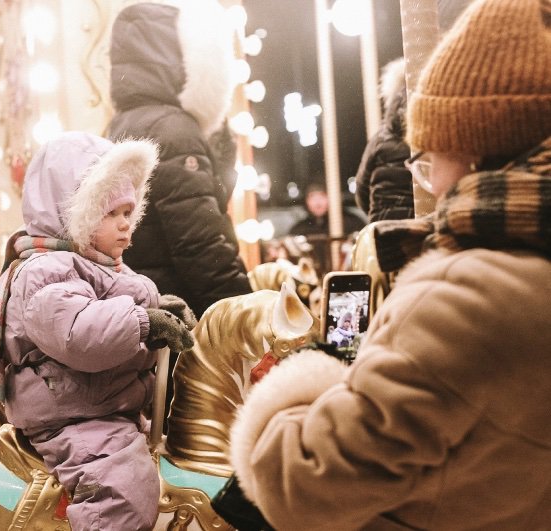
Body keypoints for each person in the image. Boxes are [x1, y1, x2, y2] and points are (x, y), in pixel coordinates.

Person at [229, 1, 551, 529]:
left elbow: (300, 482)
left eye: (431, 157)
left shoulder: (465, 296)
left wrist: (307, 380)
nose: (429, 180)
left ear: (476, 152)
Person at [0, 132, 196, 530]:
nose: (126, 225)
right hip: (74, 417)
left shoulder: (99, 264)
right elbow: (79, 334)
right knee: (124, 493)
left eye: (129, 211)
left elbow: (114, 305)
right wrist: (145, 321)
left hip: (107, 406)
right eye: (111, 214)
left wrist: (159, 309)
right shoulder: (45, 270)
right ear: (76, 214)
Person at [106, 0, 252, 320]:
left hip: (140, 314)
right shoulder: (175, 130)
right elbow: (202, 248)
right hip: (182, 318)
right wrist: (249, 316)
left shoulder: (118, 126)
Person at [354, 58, 415, 222]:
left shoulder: (381, 139)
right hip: (428, 227)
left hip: (385, 228)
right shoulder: (438, 135)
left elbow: (361, 191)